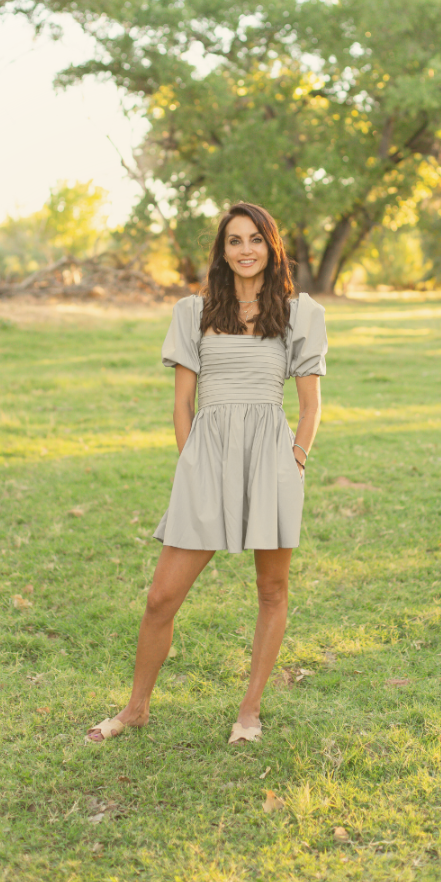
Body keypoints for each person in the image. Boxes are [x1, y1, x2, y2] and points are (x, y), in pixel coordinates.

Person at [86, 201, 327, 746]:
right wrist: (190, 463)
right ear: (222, 251)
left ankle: (249, 711)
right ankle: (135, 709)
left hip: (271, 460)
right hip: (207, 458)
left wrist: (296, 459)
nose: (246, 250)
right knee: (160, 598)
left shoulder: (299, 314)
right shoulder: (192, 311)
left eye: (255, 239)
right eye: (234, 240)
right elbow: (182, 404)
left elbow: (311, 405)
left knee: (272, 589)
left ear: (272, 247)